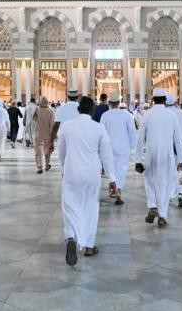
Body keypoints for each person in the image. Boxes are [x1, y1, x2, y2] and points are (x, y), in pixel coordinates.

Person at [59, 96, 116, 266]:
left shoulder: (67, 126)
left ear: (78, 110)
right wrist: (112, 178)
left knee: (69, 205)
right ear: (92, 110)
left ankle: (71, 236)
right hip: (92, 172)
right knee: (90, 206)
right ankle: (89, 246)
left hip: (72, 170)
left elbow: (62, 152)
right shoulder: (99, 128)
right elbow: (106, 155)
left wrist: (64, 169)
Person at [135, 88, 182, 229]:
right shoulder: (171, 116)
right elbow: (177, 139)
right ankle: (162, 216)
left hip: (151, 153)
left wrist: (138, 160)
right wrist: (181, 159)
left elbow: (139, 139)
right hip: (167, 154)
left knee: (149, 180)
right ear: (164, 100)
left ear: (153, 100)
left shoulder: (146, 115)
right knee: (166, 184)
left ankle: (152, 205)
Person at [100, 92, 136, 206]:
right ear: (119, 103)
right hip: (123, 146)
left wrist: (100, 148)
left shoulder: (105, 115)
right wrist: (132, 145)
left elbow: (101, 132)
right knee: (121, 169)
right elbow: (132, 132)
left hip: (108, 147)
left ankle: (114, 188)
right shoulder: (127, 115)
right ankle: (118, 190)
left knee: (111, 169)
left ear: (109, 103)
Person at [34, 97, 54, 174]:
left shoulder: (37, 110)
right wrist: (53, 134)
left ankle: (39, 167)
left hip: (38, 133)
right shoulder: (50, 111)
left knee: (38, 151)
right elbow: (52, 124)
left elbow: (34, 120)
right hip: (47, 133)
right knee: (47, 150)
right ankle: (46, 165)